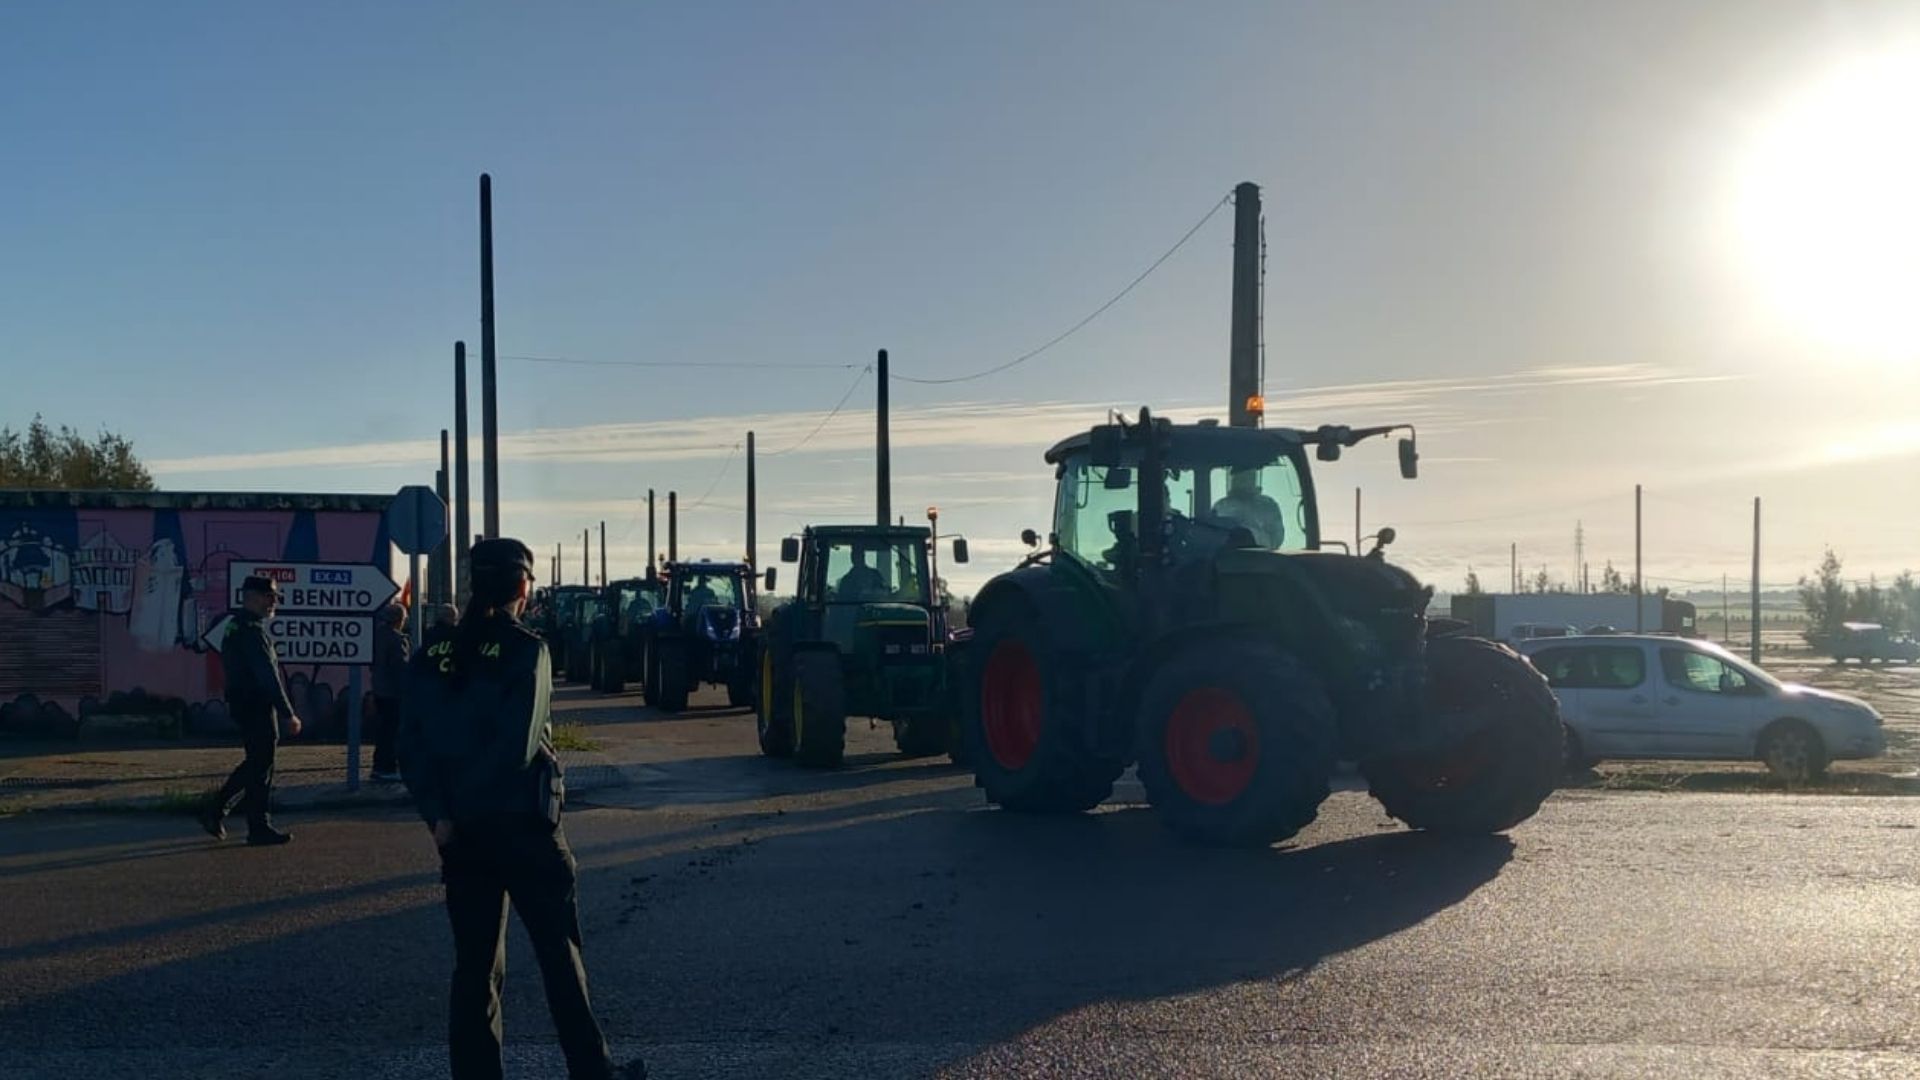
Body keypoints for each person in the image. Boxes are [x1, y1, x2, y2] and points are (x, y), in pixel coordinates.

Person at [400, 539, 642, 1080]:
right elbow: (518, 747)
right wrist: (466, 809)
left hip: (458, 836)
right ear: (524, 588)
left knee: (475, 967)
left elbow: (409, 747)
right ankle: (592, 1071)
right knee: (559, 956)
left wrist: (442, 815)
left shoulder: (430, 655)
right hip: (525, 829)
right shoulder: (526, 651)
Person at [199, 575, 301, 845]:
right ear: (253, 597)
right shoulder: (251, 631)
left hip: (243, 702)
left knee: (258, 764)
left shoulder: (235, 626)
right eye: (269, 597)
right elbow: (267, 676)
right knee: (260, 764)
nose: (273, 603)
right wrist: (287, 712)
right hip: (255, 704)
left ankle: (248, 822)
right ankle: (229, 814)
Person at [370, 603, 411, 782]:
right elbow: (400, 667)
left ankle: (379, 766)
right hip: (393, 691)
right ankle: (387, 767)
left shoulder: (375, 635)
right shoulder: (396, 639)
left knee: (383, 729)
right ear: (399, 620)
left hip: (379, 689)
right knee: (392, 730)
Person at [1211, 468, 1287, 549]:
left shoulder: (1267, 505)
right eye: (1237, 478)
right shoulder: (1221, 506)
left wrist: (1254, 539)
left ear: (1253, 479)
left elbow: (1276, 539)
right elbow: (1212, 536)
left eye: (1245, 478)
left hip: (1261, 558)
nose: (1241, 482)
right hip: (1227, 558)